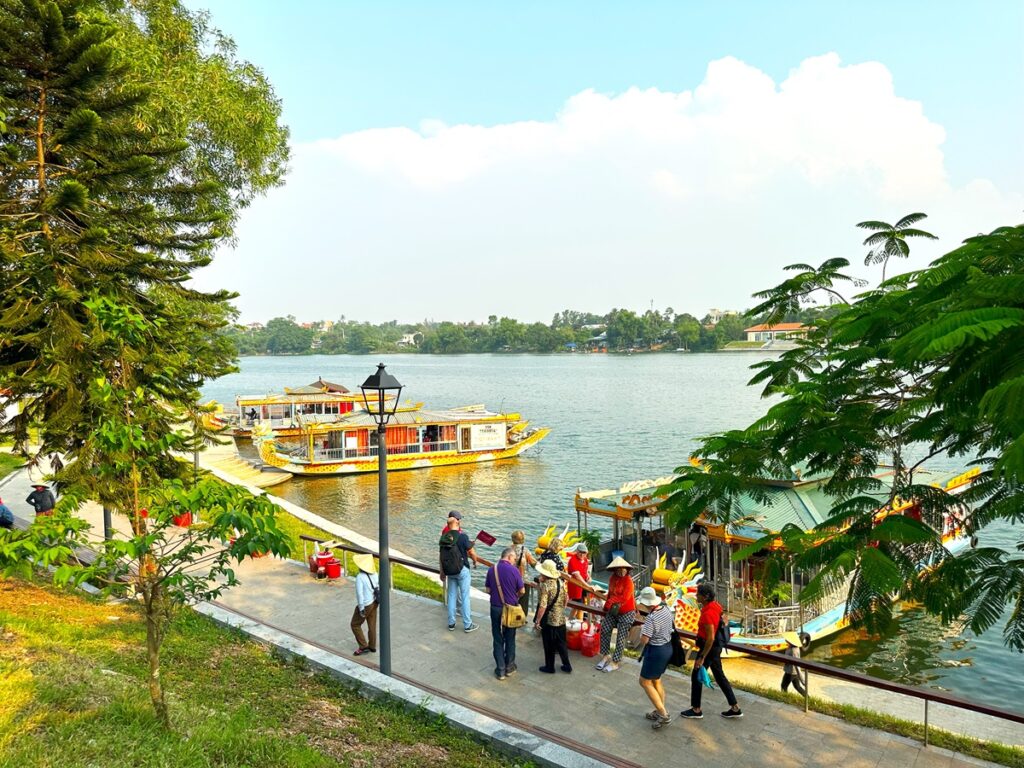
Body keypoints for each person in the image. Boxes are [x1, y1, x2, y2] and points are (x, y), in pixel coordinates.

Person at [681, 582, 742, 720]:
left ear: (705, 597)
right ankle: (735, 707)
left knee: (696, 675)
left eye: (699, 594)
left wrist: (702, 656)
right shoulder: (716, 606)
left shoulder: (708, 613)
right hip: (715, 648)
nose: (696, 596)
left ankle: (696, 709)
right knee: (719, 676)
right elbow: (724, 619)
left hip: (709, 648)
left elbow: (710, 638)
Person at [636, 586, 675, 729]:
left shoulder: (651, 618)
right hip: (667, 648)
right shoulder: (666, 610)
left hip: (656, 651)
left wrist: (641, 631)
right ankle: (660, 710)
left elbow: (644, 640)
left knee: (644, 682)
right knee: (656, 680)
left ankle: (663, 714)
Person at [485, 546, 525, 680]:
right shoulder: (514, 571)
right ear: (509, 556)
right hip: (510, 608)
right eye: (514, 558)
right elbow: (522, 591)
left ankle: (500, 669)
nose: (515, 561)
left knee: (497, 637)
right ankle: (509, 666)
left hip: (495, 607)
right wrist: (514, 596)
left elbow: (488, 590)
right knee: (510, 637)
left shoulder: (492, 569)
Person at [439, 513, 483, 633]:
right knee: (465, 597)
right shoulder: (462, 536)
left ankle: (451, 623)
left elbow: (441, 556)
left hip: (449, 570)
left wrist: (442, 571)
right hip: (462, 569)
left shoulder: (443, 538)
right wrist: (474, 562)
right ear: (457, 524)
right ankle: (468, 624)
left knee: (452, 596)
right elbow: (472, 553)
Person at [594, 556, 636, 673]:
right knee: (605, 629)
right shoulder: (612, 578)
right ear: (615, 570)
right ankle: (605, 655)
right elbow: (610, 593)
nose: (621, 571)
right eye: (619, 569)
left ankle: (615, 662)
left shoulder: (629, 581)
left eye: (623, 569)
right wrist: (606, 605)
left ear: (627, 570)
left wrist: (610, 602)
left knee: (620, 637)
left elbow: (624, 598)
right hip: (613, 610)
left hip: (627, 611)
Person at [533, 559, 571, 674]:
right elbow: (566, 599)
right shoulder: (561, 582)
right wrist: (560, 609)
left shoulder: (546, 586)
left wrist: (538, 621)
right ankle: (567, 665)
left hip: (549, 620)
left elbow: (543, 606)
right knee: (561, 643)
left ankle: (550, 667)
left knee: (548, 644)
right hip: (560, 618)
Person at [350, 553, 379, 656]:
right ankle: (372, 646)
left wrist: (361, 608)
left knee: (355, 624)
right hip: (375, 602)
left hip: (366, 604)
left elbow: (359, 594)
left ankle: (363, 646)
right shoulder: (375, 574)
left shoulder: (360, 577)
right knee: (372, 625)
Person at [510, 530, 537, 616]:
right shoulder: (525, 550)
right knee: (523, 600)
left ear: (513, 539)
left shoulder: (508, 549)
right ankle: (521, 617)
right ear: (523, 539)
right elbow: (533, 563)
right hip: (523, 578)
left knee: (511, 597)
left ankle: (509, 614)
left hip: (510, 577)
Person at [566, 542, 593, 620]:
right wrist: (587, 586)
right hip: (576, 586)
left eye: (584, 553)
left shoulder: (585, 560)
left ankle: (571, 620)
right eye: (580, 553)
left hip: (583, 585)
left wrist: (588, 576)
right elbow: (578, 576)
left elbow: (585, 571)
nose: (582, 555)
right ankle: (578, 622)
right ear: (577, 551)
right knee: (579, 606)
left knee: (580, 605)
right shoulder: (572, 560)